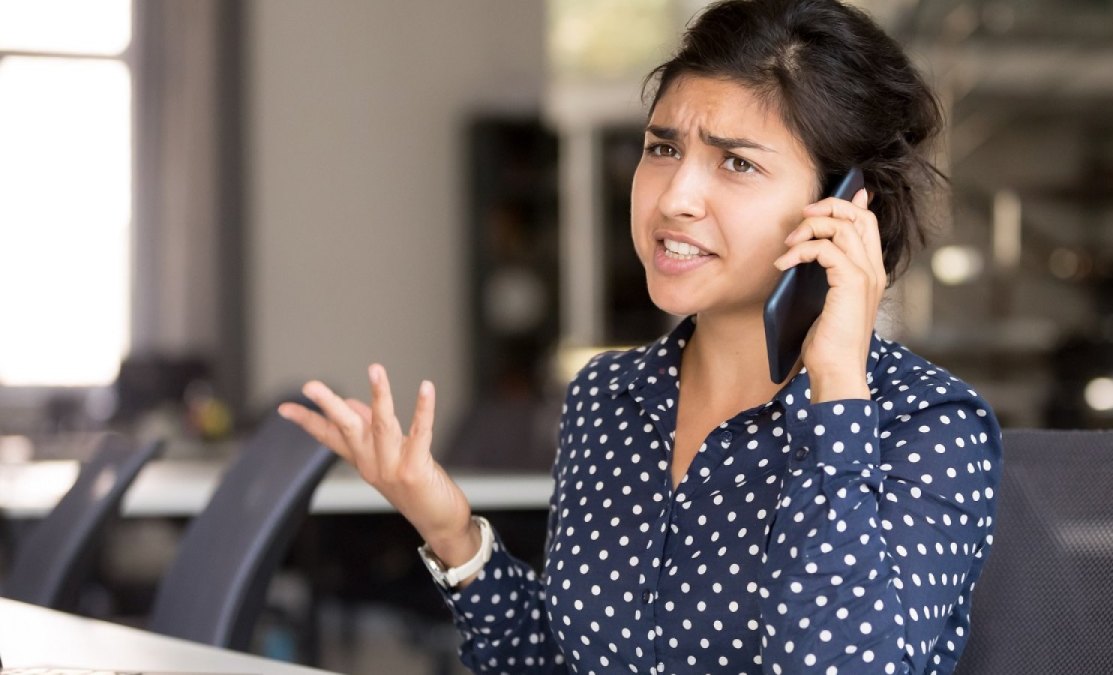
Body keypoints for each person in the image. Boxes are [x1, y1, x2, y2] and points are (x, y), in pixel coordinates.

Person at [278, 0, 1003, 672]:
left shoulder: (926, 425)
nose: (675, 197)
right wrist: (450, 529)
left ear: (845, 210)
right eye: (662, 148)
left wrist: (838, 394)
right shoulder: (610, 396)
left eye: (737, 162)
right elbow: (565, 660)